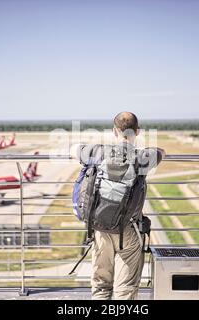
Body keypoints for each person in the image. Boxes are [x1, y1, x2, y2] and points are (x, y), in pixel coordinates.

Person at [70, 111, 165, 300]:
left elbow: (73, 150)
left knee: (101, 285)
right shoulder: (142, 158)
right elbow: (162, 152)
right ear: (137, 132)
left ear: (114, 131)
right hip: (128, 230)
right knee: (125, 288)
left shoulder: (98, 152)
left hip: (99, 228)